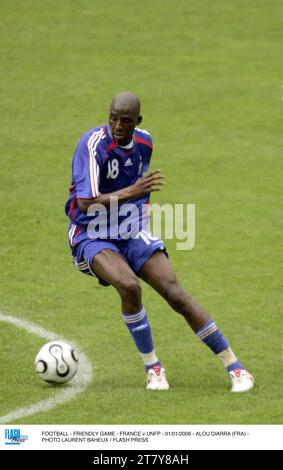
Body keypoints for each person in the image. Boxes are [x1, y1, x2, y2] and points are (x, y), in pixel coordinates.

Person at [65, 91, 254, 392]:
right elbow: (87, 202)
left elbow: (140, 190)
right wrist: (132, 192)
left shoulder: (145, 143)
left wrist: (137, 212)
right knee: (129, 286)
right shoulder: (92, 145)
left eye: (125, 121)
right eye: (113, 118)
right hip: (92, 232)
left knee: (175, 293)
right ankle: (153, 368)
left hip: (130, 229)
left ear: (137, 122)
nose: (117, 126)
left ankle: (235, 367)